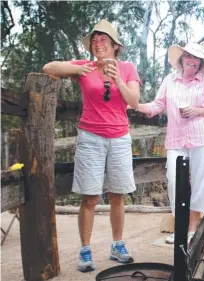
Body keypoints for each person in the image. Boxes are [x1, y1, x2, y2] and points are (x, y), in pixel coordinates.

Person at [43, 19, 140, 272]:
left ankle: (117, 245)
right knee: (90, 196)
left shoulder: (128, 68)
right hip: (91, 138)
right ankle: (85, 250)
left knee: (118, 195)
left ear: (115, 46)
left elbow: (134, 100)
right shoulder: (84, 66)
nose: (98, 44)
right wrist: (77, 70)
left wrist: (117, 78)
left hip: (119, 138)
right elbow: (48, 68)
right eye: (94, 41)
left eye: (103, 40)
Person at [134, 42, 204, 245]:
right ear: (181, 59)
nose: (191, 60)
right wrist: (134, 105)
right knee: (175, 181)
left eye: (196, 58)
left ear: (200, 63)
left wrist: (198, 110)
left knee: (202, 181)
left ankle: (193, 228)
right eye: (188, 56)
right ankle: (180, 227)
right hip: (177, 139)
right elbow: (157, 105)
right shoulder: (170, 80)